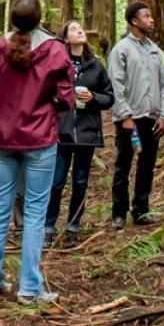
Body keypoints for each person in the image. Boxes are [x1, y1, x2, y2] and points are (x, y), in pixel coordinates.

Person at [0, 0, 75, 305]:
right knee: (34, 212)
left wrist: (10, 100)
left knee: (1, 204)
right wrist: (49, 105)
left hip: (6, 136)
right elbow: (66, 95)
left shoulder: (1, 46)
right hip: (39, 138)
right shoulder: (54, 49)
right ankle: (30, 288)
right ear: (40, 17)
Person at [45, 21, 114, 239]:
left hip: (87, 132)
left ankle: (73, 226)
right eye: (74, 29)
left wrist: (93, 98)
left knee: (81, 181)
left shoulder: (96, 66)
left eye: (81, 28)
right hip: (61, 132)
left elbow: (109, 97)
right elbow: (46, 94)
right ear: (65, 38)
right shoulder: (57, 65)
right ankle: (48, 226)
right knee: (56, 181)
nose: (80, 30)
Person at [108, 2, 164, 228]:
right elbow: (116, 83)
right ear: (134, 21)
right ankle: (118, 213)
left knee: (147, 165)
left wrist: (163, 115)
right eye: (146, 16)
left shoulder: (156, 51)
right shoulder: (122, 49)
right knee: (123, 165)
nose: (151, 19)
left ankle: (141, 210)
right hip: (129, 118)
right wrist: (124, 115)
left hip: (152, 118)